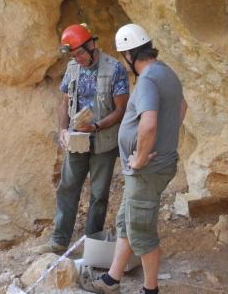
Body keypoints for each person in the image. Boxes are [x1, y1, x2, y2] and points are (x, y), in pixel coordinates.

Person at [81, 24, 187, 294]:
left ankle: (150, 289)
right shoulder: (167, 73)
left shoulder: (149, 79)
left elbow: (148, 124)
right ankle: (112, 279)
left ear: (129, 54)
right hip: (152, 165)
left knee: (140, 227)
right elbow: (181, 108)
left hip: (146, 169)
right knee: (126, 220)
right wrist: (162, 139)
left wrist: (140, 157)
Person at [33, 23, 129, 254]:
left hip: (104, 141)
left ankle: (91, 246)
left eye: (80, 53)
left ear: (92, 45)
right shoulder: (73, 67)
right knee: (67, 187)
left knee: (98, 194)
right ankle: (59, 241)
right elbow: (65, 101)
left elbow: (120, 110)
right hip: (77, 140)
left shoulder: (114, 69)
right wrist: (64, 130)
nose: (78, 58)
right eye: (74, 55)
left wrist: (95, 126)